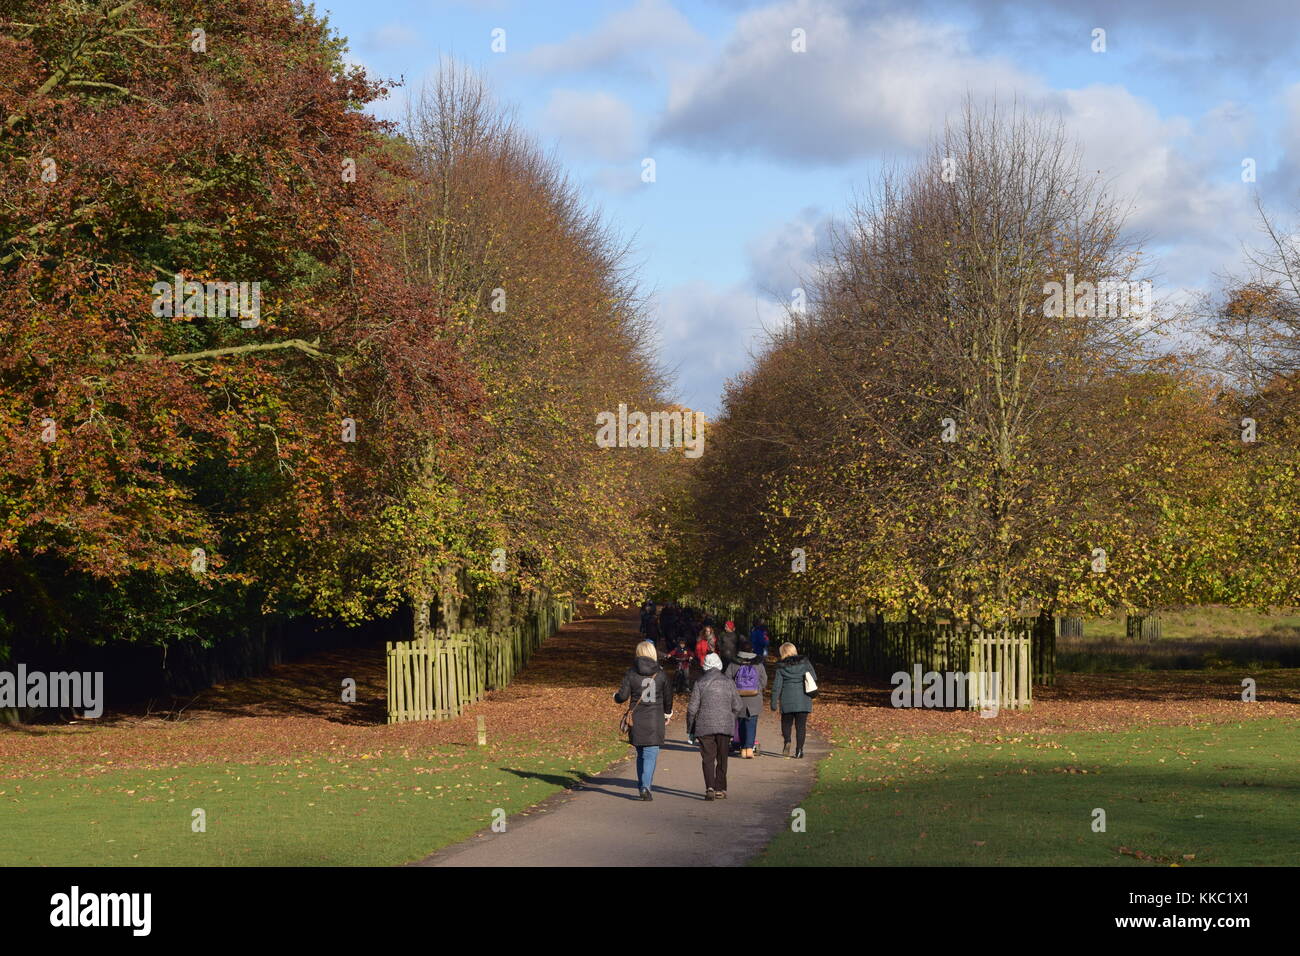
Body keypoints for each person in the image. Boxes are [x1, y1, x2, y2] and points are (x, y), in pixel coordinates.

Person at [614, 640, 674, 800]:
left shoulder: (631, 673)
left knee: (641, 753)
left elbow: (622, 696)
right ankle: (645, 786)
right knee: (650, 753)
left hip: (637, 718)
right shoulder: (661, 674)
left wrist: (616, 697)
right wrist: (668, 713)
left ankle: (642, 785)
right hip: (655, 719)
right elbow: (668, 697)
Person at [687, 653, 744, 800]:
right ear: (719, 664)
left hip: (704, 725)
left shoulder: (699, 682)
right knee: (722, 757)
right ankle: (720, 788)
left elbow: (692, 708)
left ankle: (709, 787)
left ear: (705, 665)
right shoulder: (729, 682)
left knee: (708, 758)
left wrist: (690, 728)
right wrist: (731, 717)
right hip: (724, 725)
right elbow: (738, 705)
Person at [770, 642, 816, 758]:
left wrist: (774, 702)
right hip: (803, 699)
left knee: (786, 723)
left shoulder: (781, 666)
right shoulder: (805, 662)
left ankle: (787, 741)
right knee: (801, 726)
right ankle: (799, 750)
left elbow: (777, 686)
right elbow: (814, 677)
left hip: (787, 699)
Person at [724, 640, 767, 758]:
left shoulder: (734, 663)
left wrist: (733, 692)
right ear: (752, 650)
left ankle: (743, 748)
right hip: (755, 698)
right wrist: (757, 689)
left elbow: (727, 679)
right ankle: (749, 748)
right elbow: (764, 680)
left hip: (738, 699)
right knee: (751, 723)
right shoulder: (758, 663)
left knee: (741, 723)